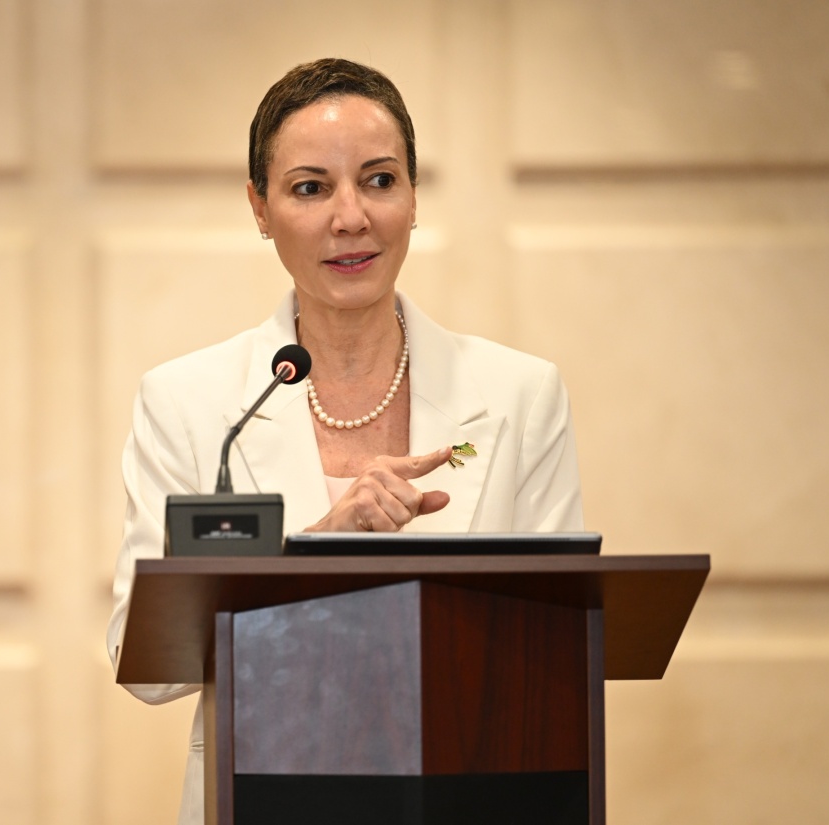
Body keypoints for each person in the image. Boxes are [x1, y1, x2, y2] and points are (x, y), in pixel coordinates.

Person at [108, 57, 583, 825]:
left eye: (379, 179)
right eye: (310, 187)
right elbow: (146, 665)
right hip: (266, 793)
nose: (351, 216)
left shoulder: (520, 394)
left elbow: (562, 639)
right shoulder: (191, 403)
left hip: (478, 792)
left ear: (415, 197)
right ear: (260, 208)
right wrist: (319, 547)